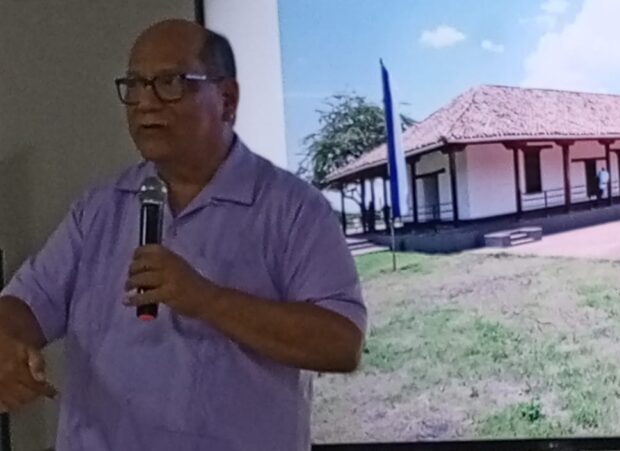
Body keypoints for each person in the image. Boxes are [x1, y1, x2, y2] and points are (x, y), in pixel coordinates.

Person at [0, 19, 366, 451]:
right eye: (134, 85)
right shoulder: (98, 208)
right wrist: (6, 342)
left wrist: (205, 299)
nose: (145, 103)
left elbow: (341, 343)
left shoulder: (292, 208)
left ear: (227, 99)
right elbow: (24, 304)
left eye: (170, 82)